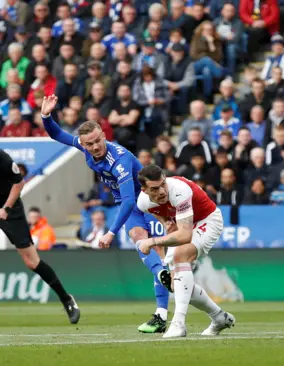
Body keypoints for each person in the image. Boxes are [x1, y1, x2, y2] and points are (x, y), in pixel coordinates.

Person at [39, 95, 170, 334]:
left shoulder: (119, 160)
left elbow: (130, 199)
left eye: (98, 140)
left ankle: (166, 306)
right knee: (143, 245)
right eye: (90, 144)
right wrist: (46, 116)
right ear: (85, 144)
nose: (96, 146)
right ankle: (162, 289)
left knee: (160, 253)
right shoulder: (84, 145)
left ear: (104, 135)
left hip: (152, 202)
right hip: (131, 204)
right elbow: (57, 135)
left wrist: (110, 232)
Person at [135, 165, 234, 338]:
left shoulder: (179, 190)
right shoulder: (143, 202)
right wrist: (165, 221)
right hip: (185, 224)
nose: (161, 191)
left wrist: (152, 241)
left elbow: (185, 235)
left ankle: (178, 324)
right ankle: (219, 317)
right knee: (176, 285)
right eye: (154, 189)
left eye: (163, 184)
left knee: (181, 256)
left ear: (165, 178)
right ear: (144, 190)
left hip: (208, 220)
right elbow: (155, 210)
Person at [0, 149, 80, 323]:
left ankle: (66, 299)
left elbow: (18, 183)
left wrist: (6, 208)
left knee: (31, 261)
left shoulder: (2, 158)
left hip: (9, 209)